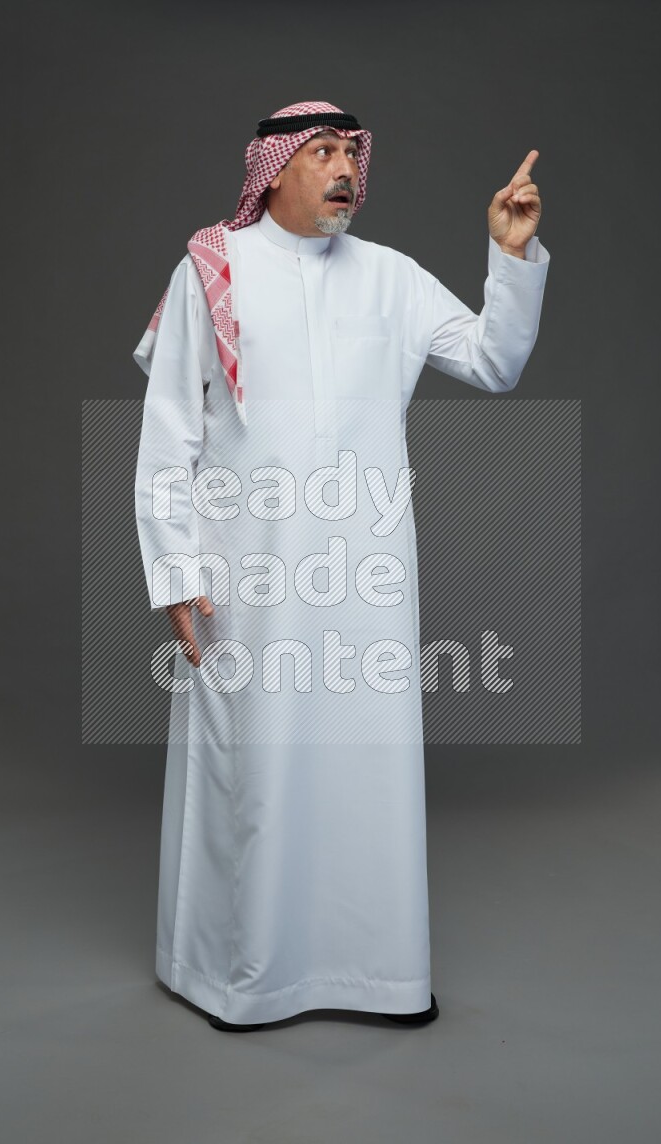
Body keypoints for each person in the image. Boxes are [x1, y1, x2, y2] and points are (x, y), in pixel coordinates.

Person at [133, 100, 549, 1032]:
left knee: (367, 767)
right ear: (271, 169)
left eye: (350, 153)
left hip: (367, 577)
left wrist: (511, 257)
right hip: (247, 577)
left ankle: (378, 976)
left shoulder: (392, 279)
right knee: (254, 771)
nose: (342, 169)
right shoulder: (214, 271)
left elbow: (493, 362)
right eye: (321, 152)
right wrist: (177, 572)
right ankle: (239, 979)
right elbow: (170, 440)